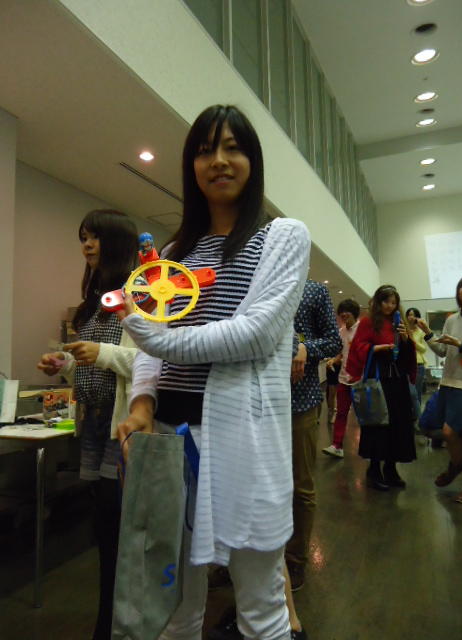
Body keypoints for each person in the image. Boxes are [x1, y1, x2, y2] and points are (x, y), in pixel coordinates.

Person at [118, 105, 310, 640]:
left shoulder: (283, 236)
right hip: (169, 440)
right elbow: (152, 346)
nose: (219, 161)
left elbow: (256, 334)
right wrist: (141, 403)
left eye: (233, 148)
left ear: (253, 160)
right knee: (172, 607)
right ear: (191, 166)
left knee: (262, 607)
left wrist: (153, 336)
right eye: (205, 151)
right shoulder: (175, 252)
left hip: (243, 439)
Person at [37, 209, 138, 639]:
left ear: (117, 243)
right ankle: (108, 621)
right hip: (96, 425)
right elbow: (92, 367)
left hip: (124, 429)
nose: (87, 245)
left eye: (95, 237)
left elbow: (153, 362)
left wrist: (101, 353)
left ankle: (119, 624)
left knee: (121, 532)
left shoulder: (138, 295)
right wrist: (63, 364)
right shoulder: (95, 301)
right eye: (83, 237)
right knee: (105, 530)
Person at [287, 281, 341, 592]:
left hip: (300, 402)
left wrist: (306, 348)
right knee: (253, 485)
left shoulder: (313, 291)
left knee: (300, 485)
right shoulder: (255, 283)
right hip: (256, 401)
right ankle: (243, 558)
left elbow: (334, 341)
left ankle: (295, 559)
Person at [346, 285, 417, 491]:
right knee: (378, 424)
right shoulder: (368, 322)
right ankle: (375, 469)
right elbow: (358, 347)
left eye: (393, 302)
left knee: (398, 424)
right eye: (386, 301)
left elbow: (408, 353)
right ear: (378, 302)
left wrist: (405, 339)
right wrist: (376, 348)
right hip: (379, 379)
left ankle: (391, 468)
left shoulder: (399, 322)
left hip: (397, 381)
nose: (390, 306)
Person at [416, 274, 462, 503]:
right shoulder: (452, 319)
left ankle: (456, 465)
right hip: (448, 383)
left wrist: (461, 345)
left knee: (449, 431)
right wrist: (428, 334)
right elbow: (443, 351)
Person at [322, 298, 361, 458]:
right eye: (342, 312)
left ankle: (371, 449)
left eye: (347, 311)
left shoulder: (362, 329)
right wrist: (334, 360)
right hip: (343, 379)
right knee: (341, 413)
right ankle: (337, 445)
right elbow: (342, 353)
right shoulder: (341, 331)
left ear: (354, 313)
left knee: (365, 416)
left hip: (360, 381)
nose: (344, 314)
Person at [406, 307, 427, 407]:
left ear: (417, 317)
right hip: (406, 364)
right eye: (409, 315)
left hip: (418, 364)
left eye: (413, 315)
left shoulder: (421, 332)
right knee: (407, 392)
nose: (411, 317)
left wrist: (413, 342)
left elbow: (423, 349)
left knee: (416, 393)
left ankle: (418, 414)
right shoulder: (404, 331)